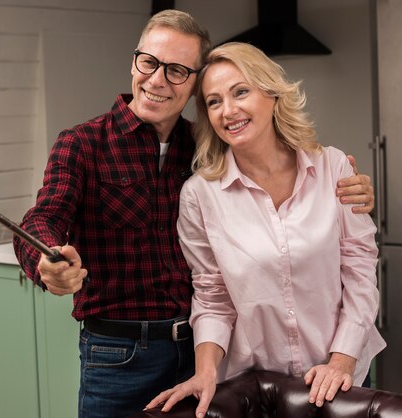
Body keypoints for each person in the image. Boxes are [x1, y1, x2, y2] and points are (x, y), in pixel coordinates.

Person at [13, 11, 375, 418]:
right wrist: (47, 261)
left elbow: (346, 260)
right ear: (134, 61)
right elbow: (42, 219)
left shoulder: (206, 147)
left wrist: (346, 187)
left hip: (208, 351)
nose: (156, 80)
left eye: (177, 70)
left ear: (192, 83)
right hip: (121, 354)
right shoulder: (83, 144)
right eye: (148, 62)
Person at [145, 42, 387, 418]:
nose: (228, 111)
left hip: (339, 377)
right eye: (213, 101)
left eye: (241, 92)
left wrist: (341, 361)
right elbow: (212, 296)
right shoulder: (199, 195)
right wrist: (204, 371)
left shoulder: (333, 168)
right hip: (256, 388)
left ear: (273, 94)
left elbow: (359, 272)